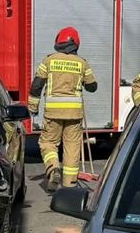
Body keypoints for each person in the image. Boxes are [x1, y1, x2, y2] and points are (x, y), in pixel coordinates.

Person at [29, 27, 98, 191]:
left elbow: (36, 86)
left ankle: (53, 168)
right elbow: (92, 87)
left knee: (48, 143)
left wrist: (33, 108)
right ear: (75, 44)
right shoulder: (82, 63)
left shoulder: (49, 61)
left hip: (53, 113)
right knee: (72, 148)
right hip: (74, 114)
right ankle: (69, 186)